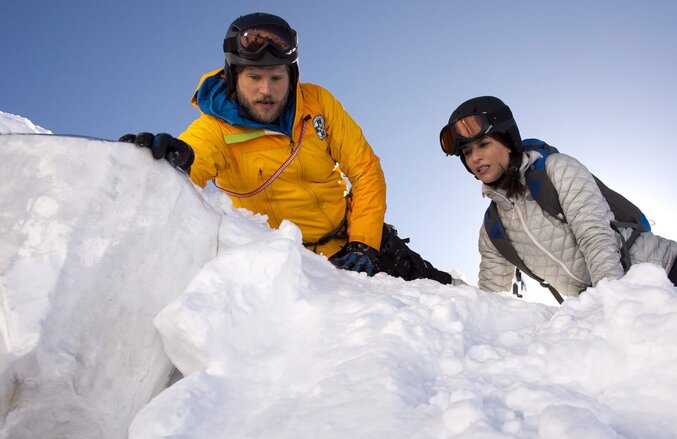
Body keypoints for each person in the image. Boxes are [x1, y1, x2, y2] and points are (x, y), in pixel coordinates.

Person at [121, 12, 451, 284]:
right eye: (254, 77)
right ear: (234, 76)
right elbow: (193, 160)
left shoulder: (318, 102)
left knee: (447, 297)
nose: (267, 90)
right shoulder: (215, 130)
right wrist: (168, 165)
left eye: (277, 78)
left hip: (357, 239)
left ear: (291, 76)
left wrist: (364, 242)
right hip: (294, 268)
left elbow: (365, 169)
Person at [439, 96, 677, 297]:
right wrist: (441, 288)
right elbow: (492, 301)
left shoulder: (556, 170)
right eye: (466, 153)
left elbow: (595, 237)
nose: (475, 157)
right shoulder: (492, 229)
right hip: (615, 306)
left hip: (674, 272)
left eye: (484, 144)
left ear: (507, 141)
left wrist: (613, 306)